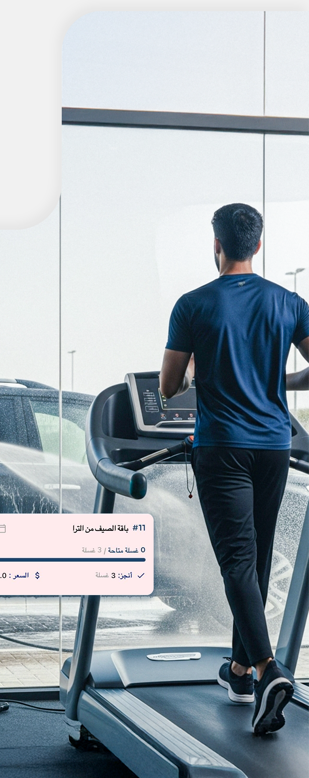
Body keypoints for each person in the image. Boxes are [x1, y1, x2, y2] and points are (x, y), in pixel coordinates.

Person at [160, 203, 309, 736]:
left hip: (222, 445)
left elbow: (168, 387)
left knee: (236, 562)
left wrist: (204, 365)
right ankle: (242, 670)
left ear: (215, 245)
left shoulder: (193, 305)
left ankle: (268, 670)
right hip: (273, 445)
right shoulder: (289, 302)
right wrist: (276, 381)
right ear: (259, 245)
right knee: (258, 555)